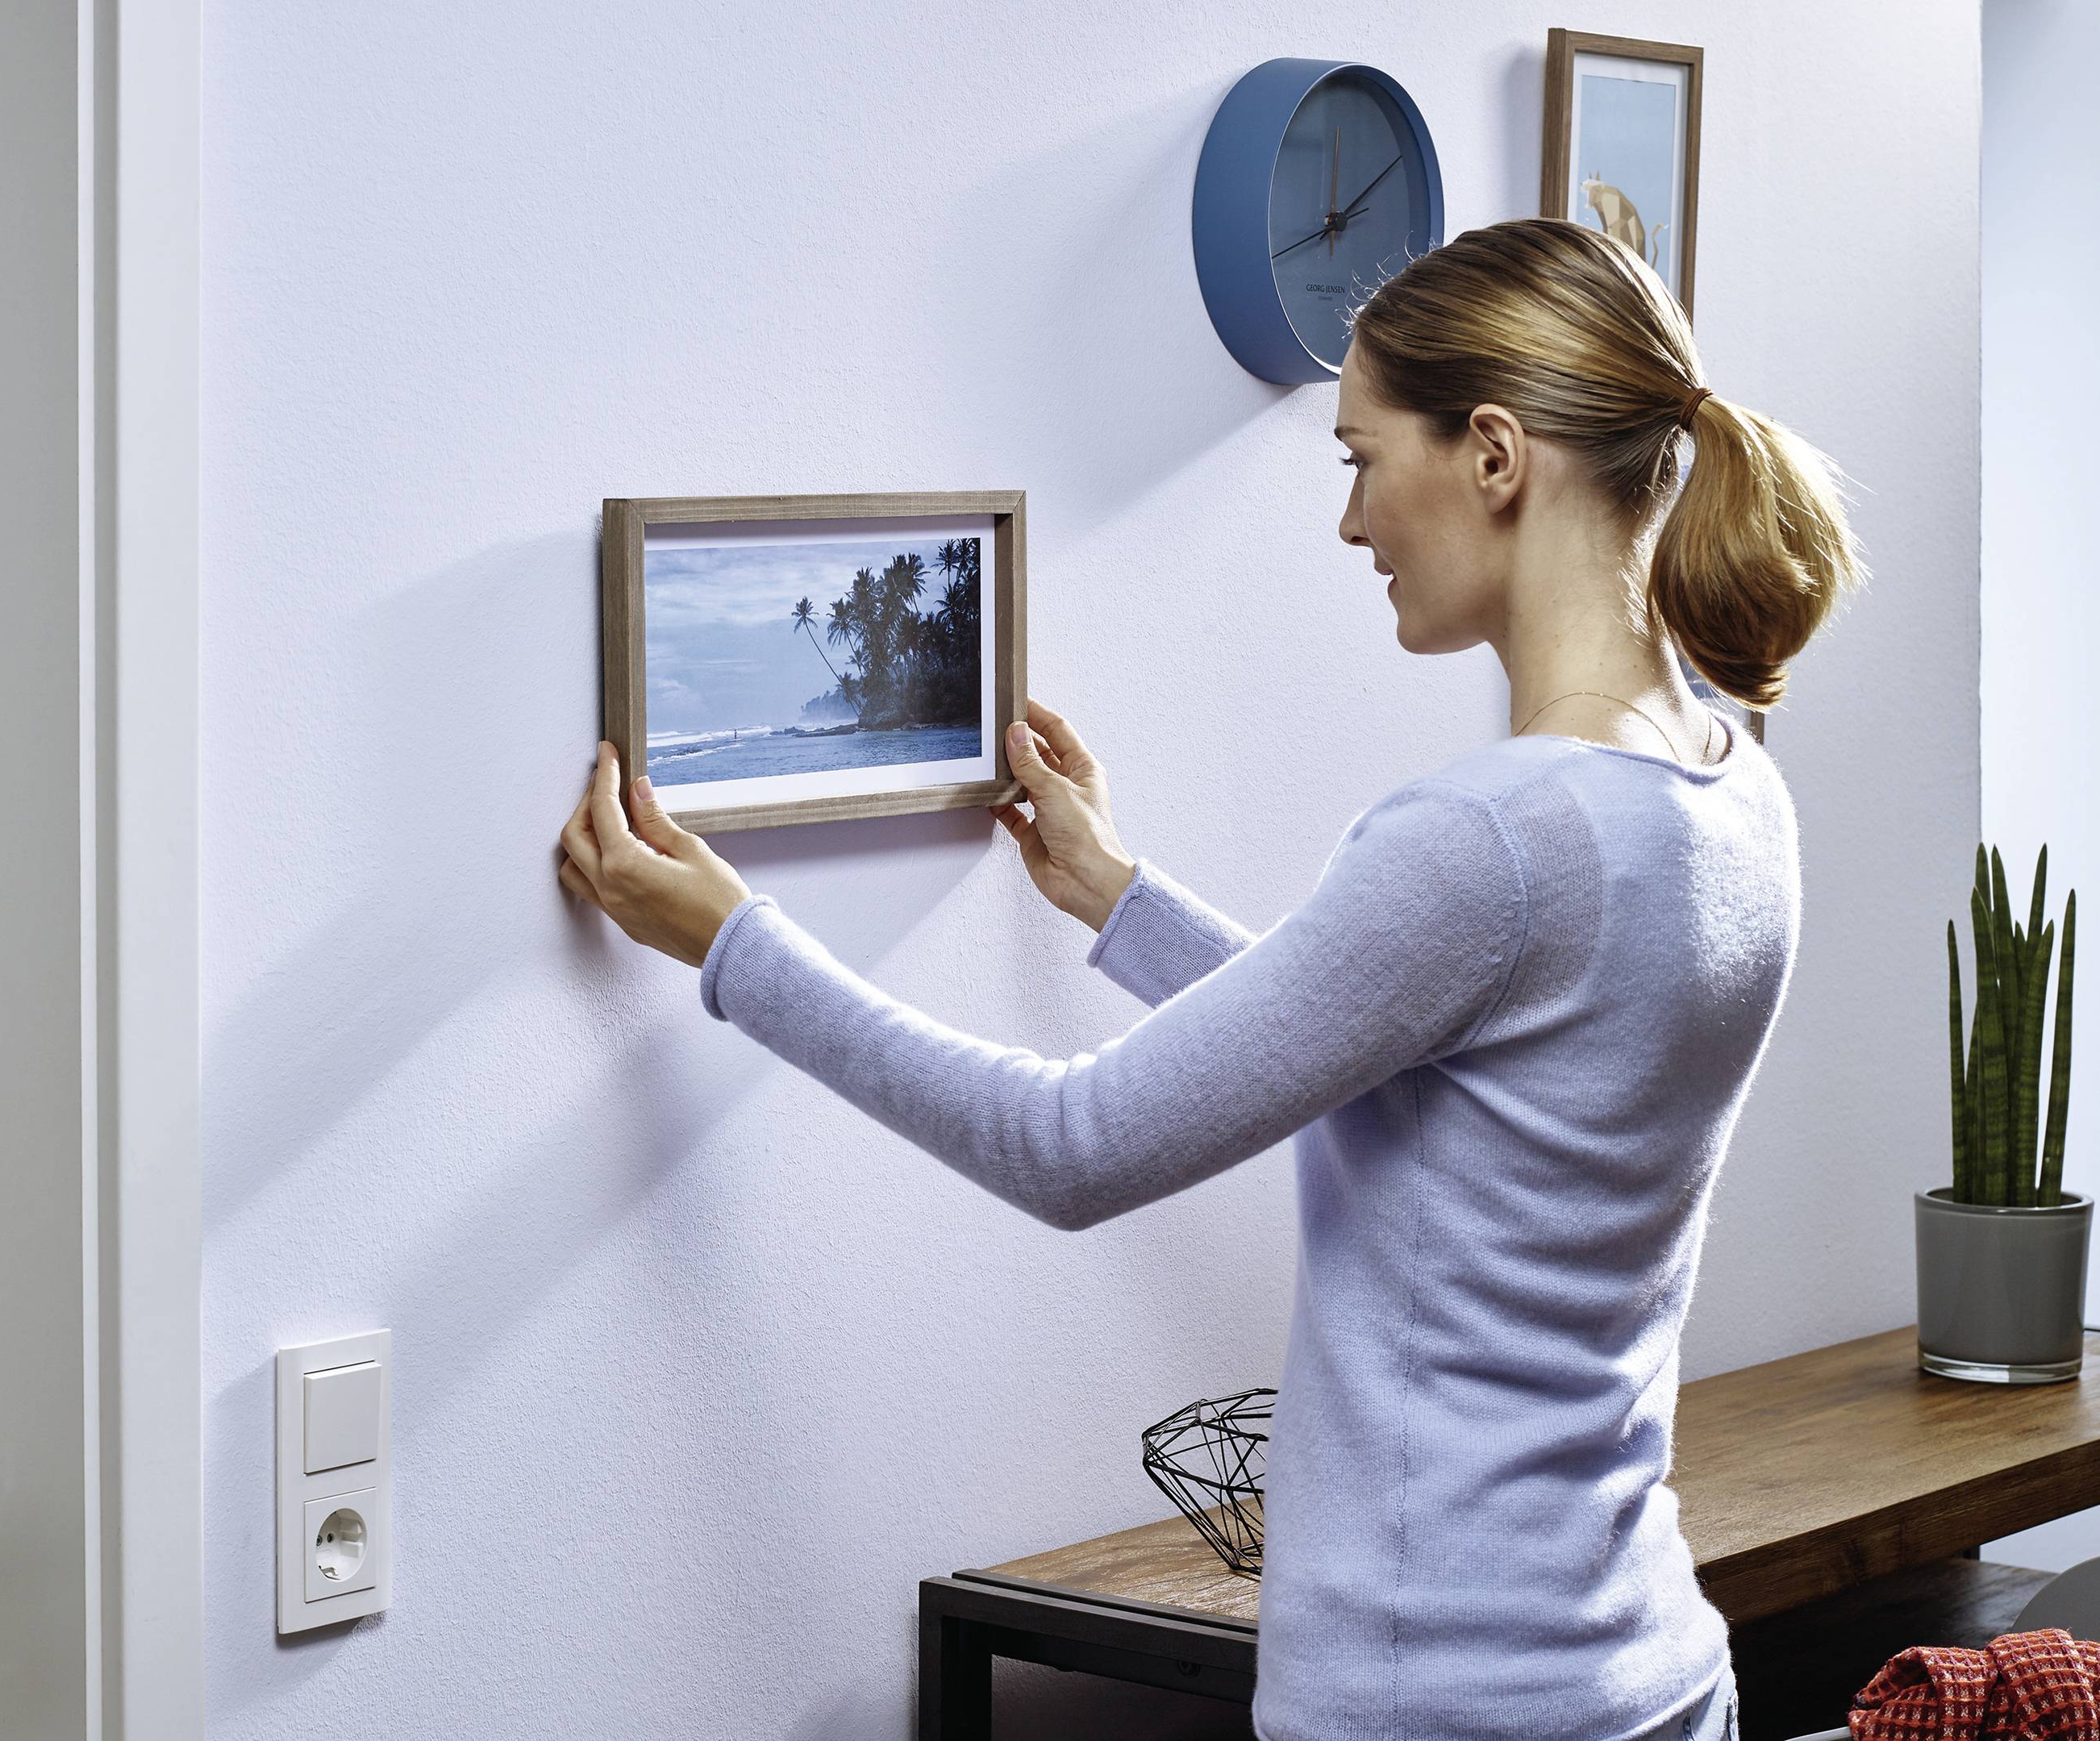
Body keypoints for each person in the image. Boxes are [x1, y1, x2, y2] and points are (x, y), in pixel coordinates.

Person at [556, 217, 1863, 1741]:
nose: (1351, 521)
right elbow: (1426, 1066)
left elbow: (1071, 1147)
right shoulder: (1727, 790)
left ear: (1495, 455)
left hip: (1437, 1702)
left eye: (1361, 460)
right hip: (1641, 1673)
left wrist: (732, 947)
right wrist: (1120, 901)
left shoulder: (1492, 836)